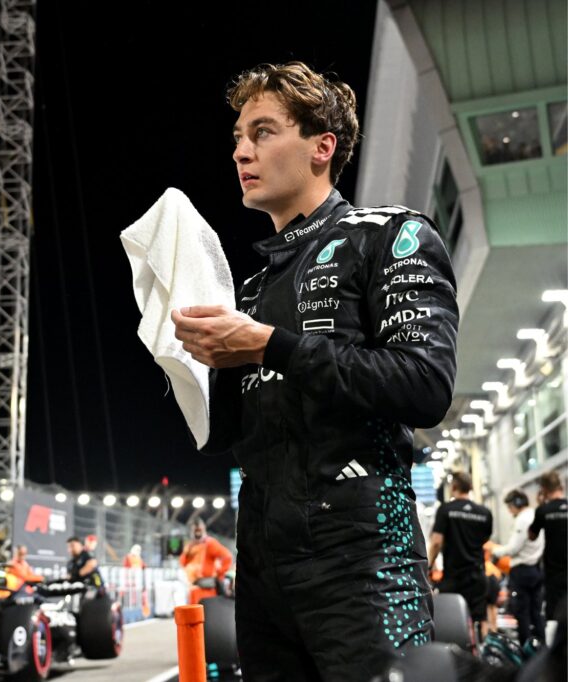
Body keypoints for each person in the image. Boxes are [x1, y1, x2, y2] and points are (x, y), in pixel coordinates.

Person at [171, 62, 459, 682]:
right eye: (238, 138)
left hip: (367, 564)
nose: (241, 151)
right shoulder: (249, 291)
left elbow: (426, 384)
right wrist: (184, 359)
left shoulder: (391, 235)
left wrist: (268, 346)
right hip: (262, 573)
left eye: (263, 132)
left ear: (322, 147)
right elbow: (222, 438)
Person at [427, 471, 493, 635]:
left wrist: (428, 566)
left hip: (454, 577)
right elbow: (485, 540)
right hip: (477, 576)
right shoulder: (484, 513)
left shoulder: (446, 510)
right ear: (470, 487)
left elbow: (436, 542)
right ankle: (482, 648)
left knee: (452, 621)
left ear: (454, 486)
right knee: (481, 620)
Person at [496, 489, 546, 645]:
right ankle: (542, 648)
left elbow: (513, 548)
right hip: (536, 569)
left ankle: (525, 650)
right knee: (536, 612)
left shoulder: (522, 519)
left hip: (522, 572)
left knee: (522, 613)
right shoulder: (536, 515)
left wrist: (495, 551)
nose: (510, 511)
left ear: (517, 503)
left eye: (510, 507)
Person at [529, 470, 567, 624]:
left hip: (554, 571)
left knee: (554, 615)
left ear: (544, 489)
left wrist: (540, 505)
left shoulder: (543, 510)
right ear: (561, 486)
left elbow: (532, 536)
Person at [180, 518, 233, 604]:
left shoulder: (210, 544)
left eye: (199, 530)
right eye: (195, 531)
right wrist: (187, 551)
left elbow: (227, 557)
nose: (197, 533)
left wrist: (219, 574)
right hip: (193, 590)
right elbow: (183, 563)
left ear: (203, 530)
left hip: (207, 591)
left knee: (206, 612)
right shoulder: (190, 546)